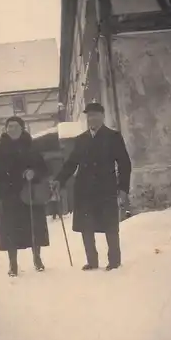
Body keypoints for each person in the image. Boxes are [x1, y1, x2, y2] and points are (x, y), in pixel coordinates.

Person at [53, 102, 131, 271]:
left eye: (95, 115)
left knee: (110, 226)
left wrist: (123, 188)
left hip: (106, 189)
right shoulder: (81, 140)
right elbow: (71, 163)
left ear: (102, 117)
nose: (92, 119)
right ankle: (92, 261)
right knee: (86, 227)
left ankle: (114, 261)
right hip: (84, 190)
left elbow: (125, 164)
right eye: (89, 116)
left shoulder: (113, 137)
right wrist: (59, 179)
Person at [0, 116, 50, 277]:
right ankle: (13, 264)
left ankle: (37, 259)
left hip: (30, 193)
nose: (12, 129)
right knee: (10, 230)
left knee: (34, 227)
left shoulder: (32, 146)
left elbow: (44, 169)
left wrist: (33, 172)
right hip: (9, 194)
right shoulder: (0, 150)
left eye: (15, 126)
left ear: (22, 128)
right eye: (9, 127)